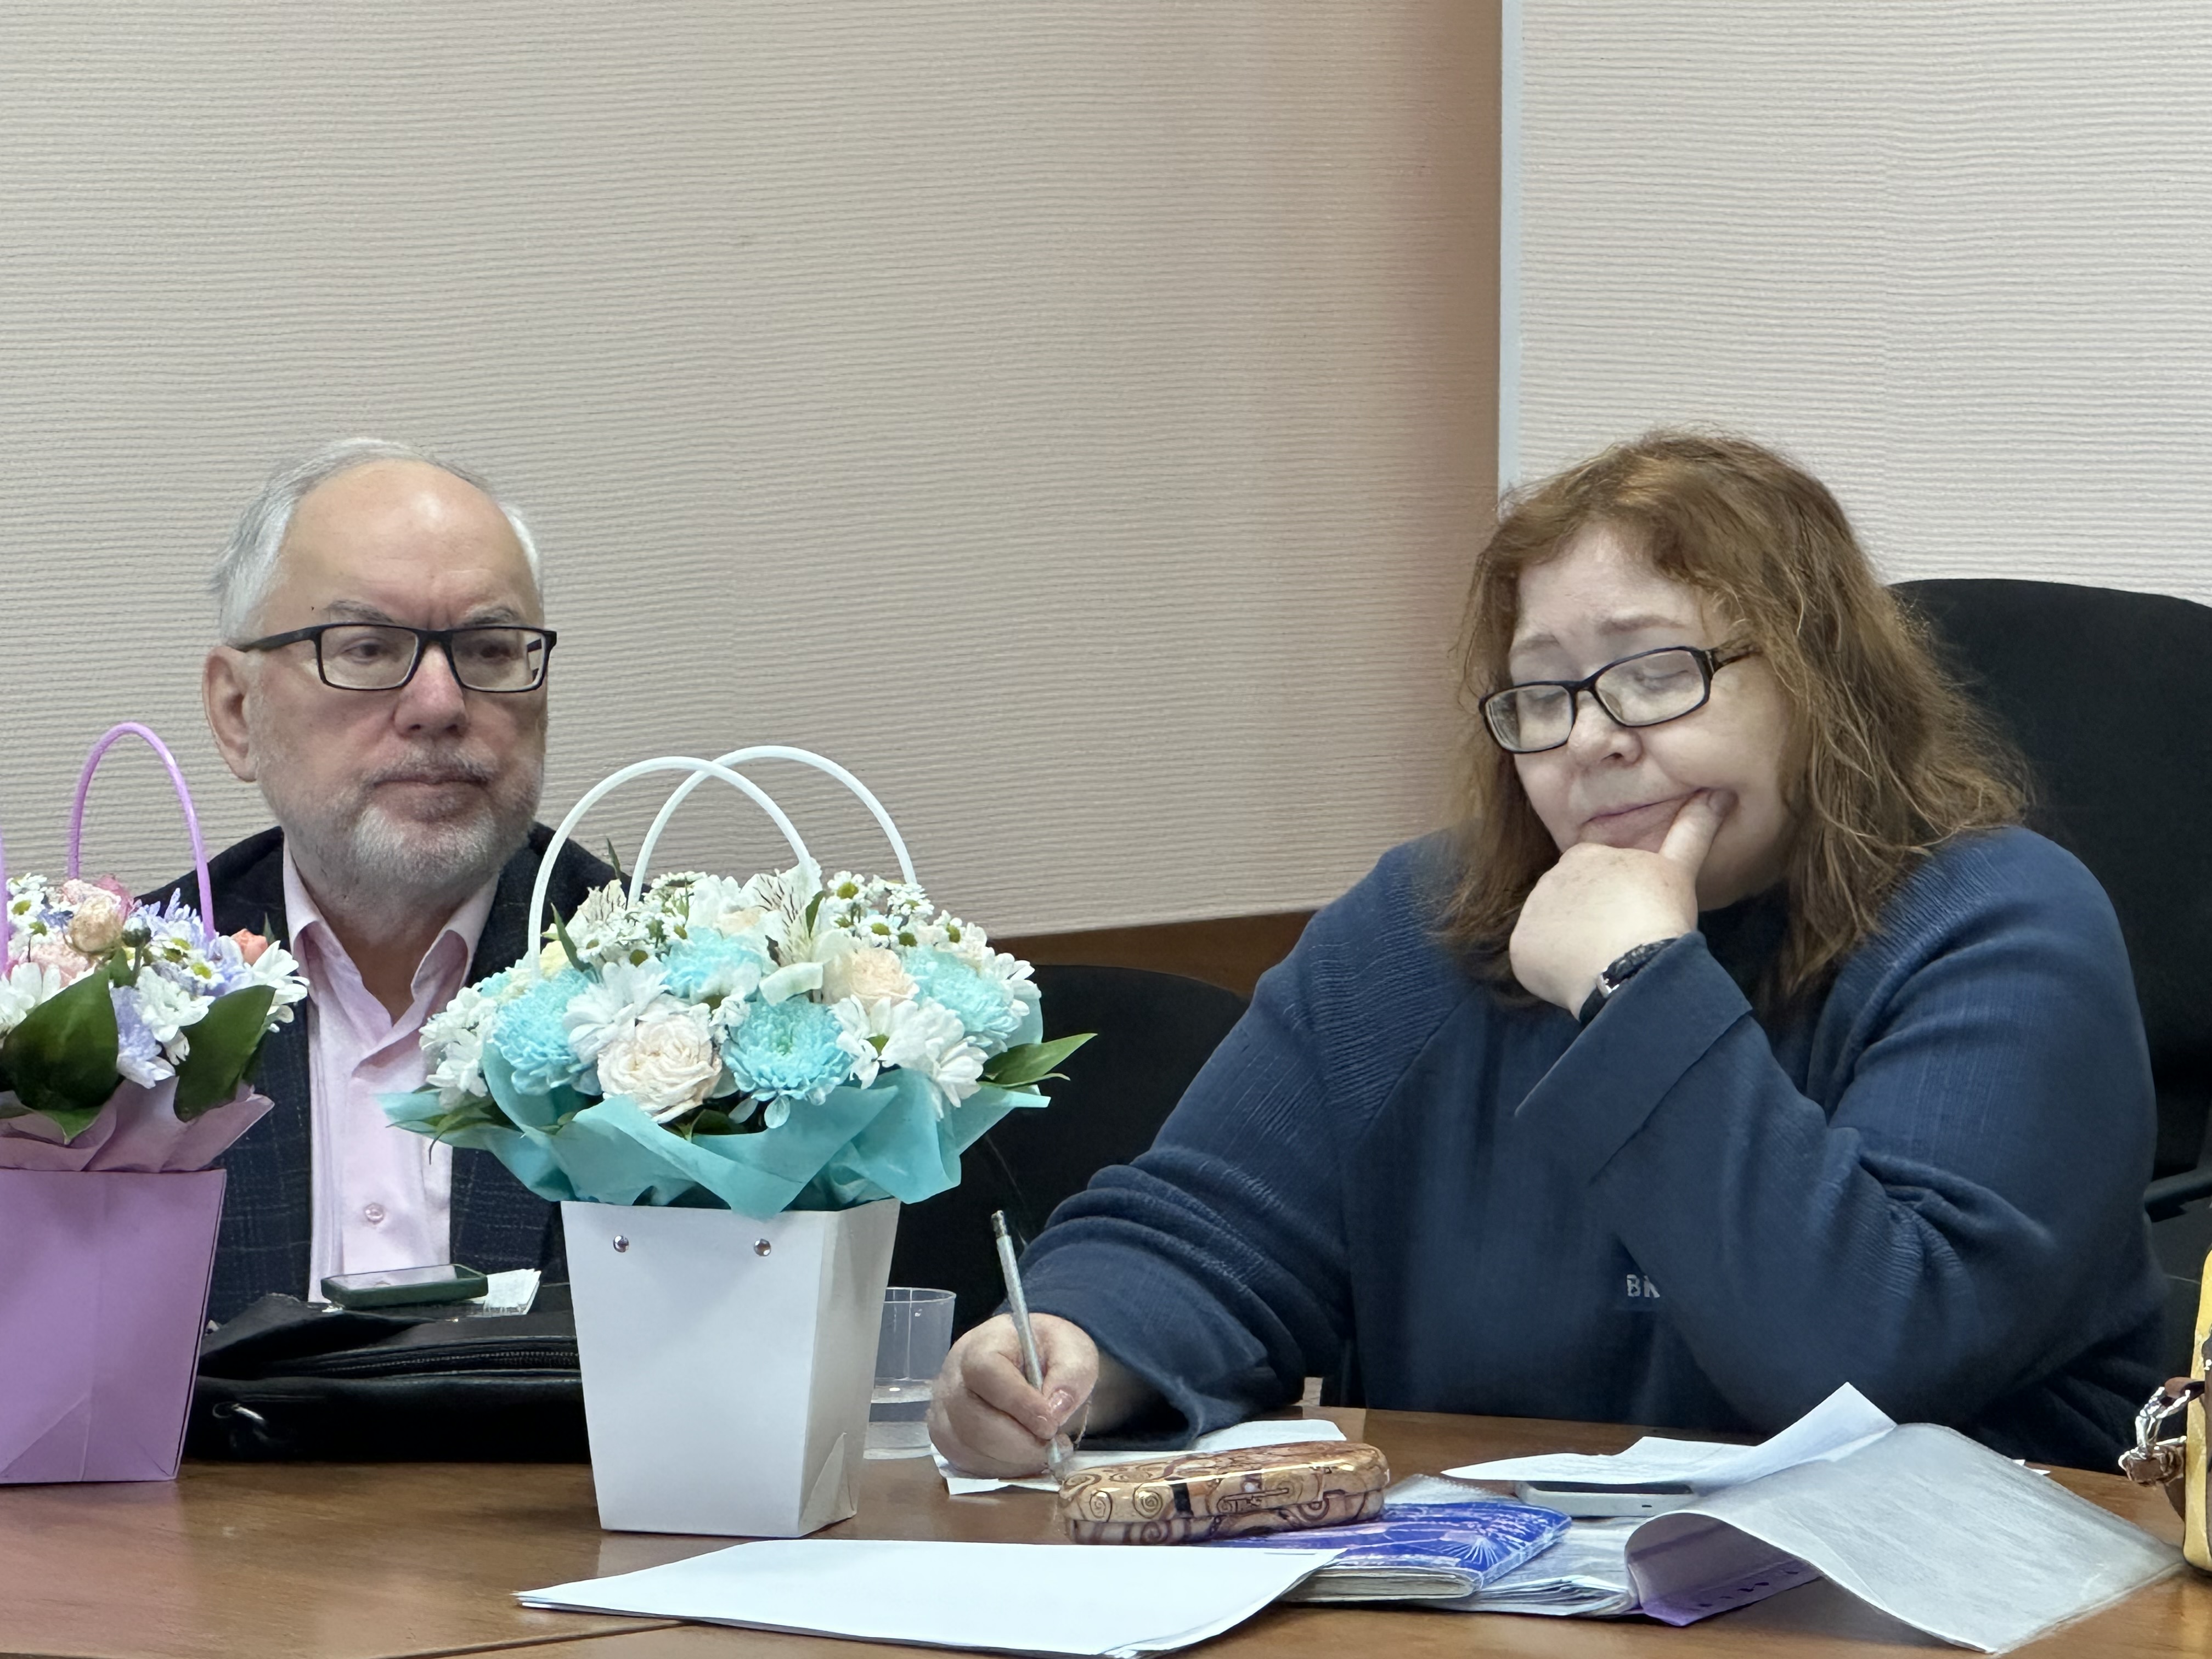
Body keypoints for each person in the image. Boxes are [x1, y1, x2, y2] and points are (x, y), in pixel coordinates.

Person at [929, 430, 2164, 1474]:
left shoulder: (1998, 922)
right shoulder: (1420, 926)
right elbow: (1201, 1232)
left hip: (1931, 1617)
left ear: (1818, 683)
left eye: (1656, 674)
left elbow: (1866, 1363)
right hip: (1505, 1598)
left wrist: (1636, 986)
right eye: (1543, 693)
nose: (1590, 739)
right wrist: (1079, 1346)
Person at [155, 438, 614, 1324]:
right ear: (238, 712)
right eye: (365, 648)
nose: (440, 704)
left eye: (489, 649)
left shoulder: (688, 997)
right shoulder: (113, 1007)